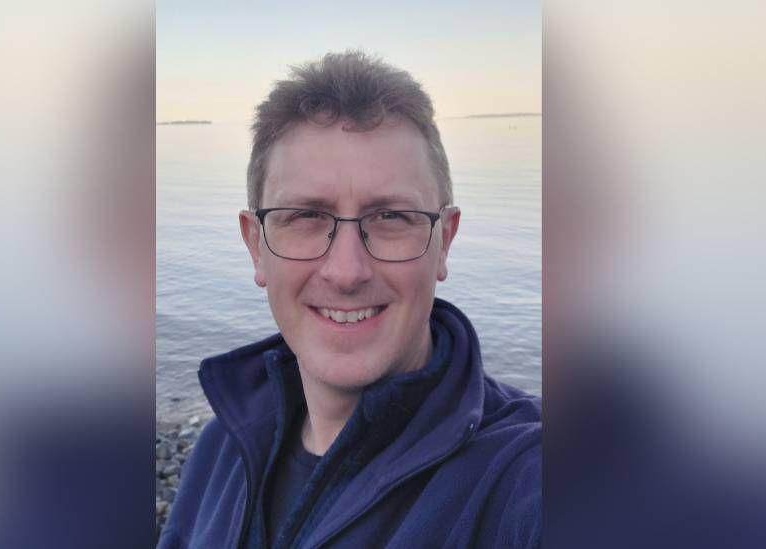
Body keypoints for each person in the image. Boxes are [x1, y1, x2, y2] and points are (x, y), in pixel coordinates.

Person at [158, 51, 540, 549]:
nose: (346, 271)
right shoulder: (221, 449)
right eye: (304, 216)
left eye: (391, 218)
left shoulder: (522, 473)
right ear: (256, 245)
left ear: (444, 240)